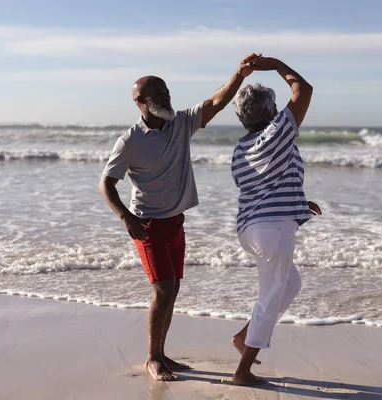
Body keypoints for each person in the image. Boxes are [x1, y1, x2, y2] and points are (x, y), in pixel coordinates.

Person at [98, 54, 261, 382]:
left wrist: (240, 74)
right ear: (141, 102)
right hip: (147, 225)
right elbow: (106, 183)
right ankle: (152, 359)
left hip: (175, 222)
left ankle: (161, 353)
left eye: (168, 93)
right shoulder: (130, 141)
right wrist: (125, 217)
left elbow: (216, 101)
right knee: (164, 290)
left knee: (172, 290)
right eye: (160, 96)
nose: (167, 100)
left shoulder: (181, 123)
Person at [229, 56, 322, 386]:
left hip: (251, 228)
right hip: (272, 228)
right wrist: (274, 63)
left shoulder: (242, 148)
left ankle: (245, 336)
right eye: (275, 107)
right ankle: (243, 371)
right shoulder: (276, 133)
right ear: (270, 113)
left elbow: (263, 184)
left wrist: (299, 201)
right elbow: (303, 90)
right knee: (270, 296)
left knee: (289, 285)